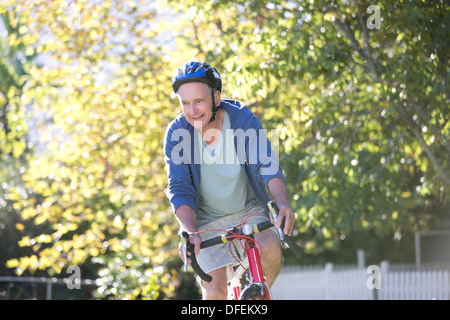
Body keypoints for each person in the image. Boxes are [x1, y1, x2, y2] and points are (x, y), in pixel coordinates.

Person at [164, 61, 295, 300]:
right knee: (215, 292)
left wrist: (282, 203)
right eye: (185, 103)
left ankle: (249, 295)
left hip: (248, 210)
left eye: (199, 101)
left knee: (271, 252)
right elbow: (179, 188)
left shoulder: (242, 119)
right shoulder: (177, 133)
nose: (192, 111)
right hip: (204, 221)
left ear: (216, 98)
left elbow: (266, 163)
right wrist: (189, 231)